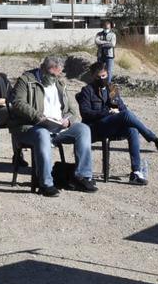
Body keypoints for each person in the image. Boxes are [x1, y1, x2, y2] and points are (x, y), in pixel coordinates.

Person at [10, 55, 97, 197]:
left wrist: (68, 121)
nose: (54, 77)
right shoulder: (26, 80)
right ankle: (46, 183)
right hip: (31, 127)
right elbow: (18, 103)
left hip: (58, 127)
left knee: (83, 129)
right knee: (42, 134)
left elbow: (72, 111)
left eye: (57, 74)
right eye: (51, 74)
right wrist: (37, 116)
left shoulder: (60, 84)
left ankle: (82, 176)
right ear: (42, 68)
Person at [76, 62, 158, 186]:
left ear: (107, 74)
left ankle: (136, 172)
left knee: (132, 130)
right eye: (98, 77)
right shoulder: (87, 91)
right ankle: (154, 139)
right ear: (92, 77)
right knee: (126, 115)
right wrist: (106, 112)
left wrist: (117, 111)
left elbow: (122, 108)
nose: (102, 79)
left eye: (104, 76)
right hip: (94, 128)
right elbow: (85, 113)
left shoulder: (111, 89)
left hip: (110, 126)